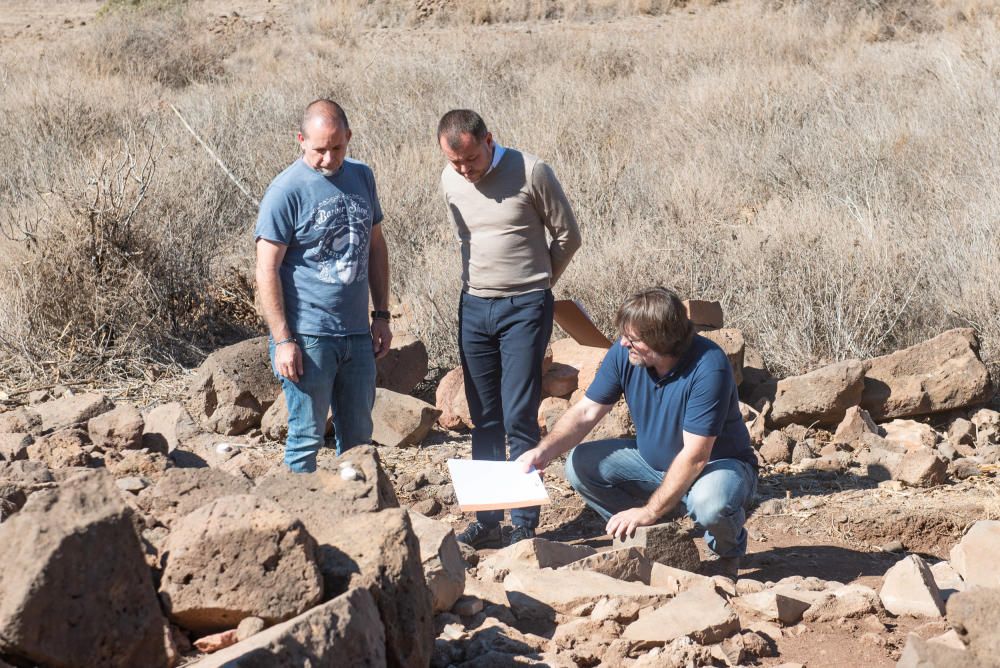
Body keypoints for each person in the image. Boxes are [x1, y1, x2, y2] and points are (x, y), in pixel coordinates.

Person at [517, 287, 758, 577]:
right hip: (653, 465)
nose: (622, 343)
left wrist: (648, 510)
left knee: (711, 504)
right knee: (580, 465)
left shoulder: (709, 366)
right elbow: (586, 412)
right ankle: (657, 535)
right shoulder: (625, 355)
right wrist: (543, 451)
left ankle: (727, 553)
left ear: (662, 340)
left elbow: (696, 456)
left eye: (632, 339)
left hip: (716, 467)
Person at [438, 109, 582, 548]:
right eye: (455, 162)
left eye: (471, 161)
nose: (465, 170)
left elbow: (568, 236)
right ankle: (486, 520)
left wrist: (538, 284)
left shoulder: (532, 170)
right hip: (475, 305)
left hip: (526, 305)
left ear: (488, 141)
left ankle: (523, 522)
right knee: (483, 416)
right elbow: (468, 238)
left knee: (518, 413)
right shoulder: (449, 180)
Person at [255, 99, 392, 473]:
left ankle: (357, 519)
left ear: (348, 137)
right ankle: (304, 522)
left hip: (357, 334)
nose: (329, 158)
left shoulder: (362, 176)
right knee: (306, 438)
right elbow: (267, 269)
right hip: (308, 337)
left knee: (360, 440)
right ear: (300, 140)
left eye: (337, 148)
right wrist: (283, 340)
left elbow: (376, 246)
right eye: (319, 149)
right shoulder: (286, 190)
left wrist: (381, 314)